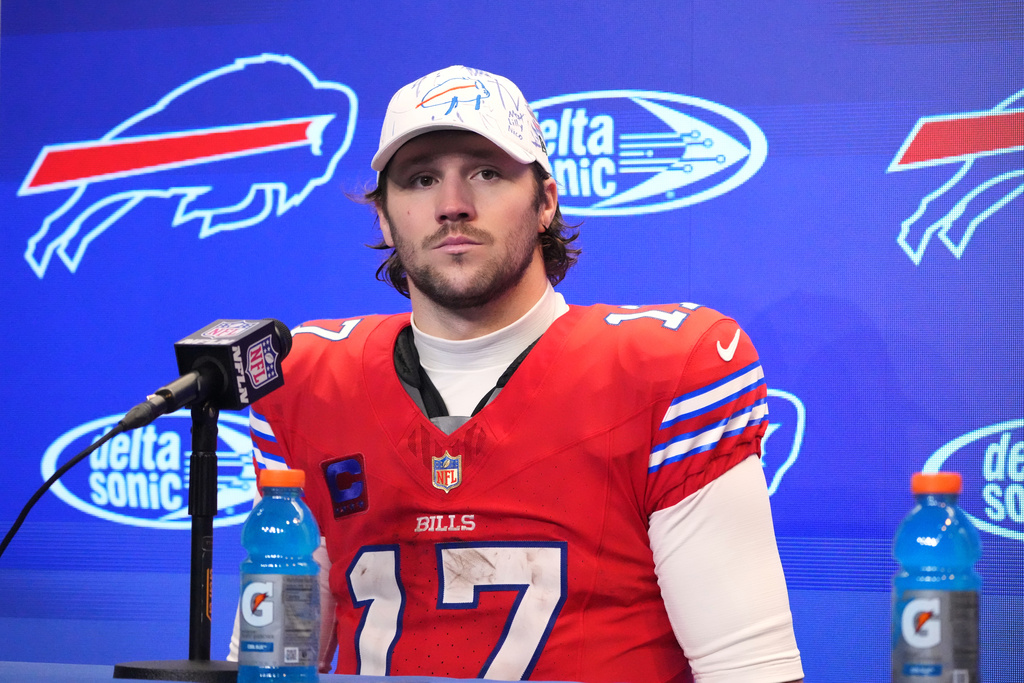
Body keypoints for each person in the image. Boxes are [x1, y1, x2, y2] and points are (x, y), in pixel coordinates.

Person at [237, 65, 804, 682]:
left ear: (546, 202)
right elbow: (271, 662)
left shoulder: (666, 369)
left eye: (486, 173)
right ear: (383, 217)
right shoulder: (307, 379)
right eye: (421, 179)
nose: (452, 206)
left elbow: (749, 668)